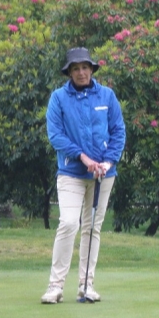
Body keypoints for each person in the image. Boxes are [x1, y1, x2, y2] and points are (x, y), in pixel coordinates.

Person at [41, 47, 126, 304]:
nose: (81, 72)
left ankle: (86, 286)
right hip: (72, 172)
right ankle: (55, 286)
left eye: (85, 67)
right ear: (69, 72)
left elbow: (118, 131)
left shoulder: (107, 96)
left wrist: (108, 161)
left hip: (103, 175)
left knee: (92, 228)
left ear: (92, 69)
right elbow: (56, 135)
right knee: (68, 223)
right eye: (75, 68)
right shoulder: (58, 98)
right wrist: (83, 157)